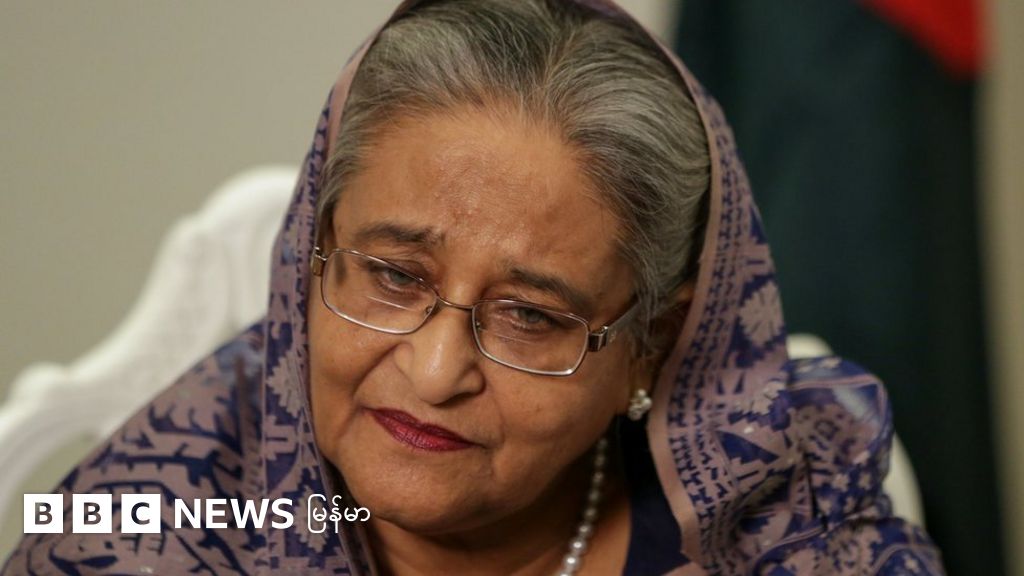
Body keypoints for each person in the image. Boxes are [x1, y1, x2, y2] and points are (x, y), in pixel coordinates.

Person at [2, 0, 944, 574]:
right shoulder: (142, 532)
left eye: (531, 315)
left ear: (648, 346)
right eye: (392, 274)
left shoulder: (792, 512)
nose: (435, 368)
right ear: (310, 257)